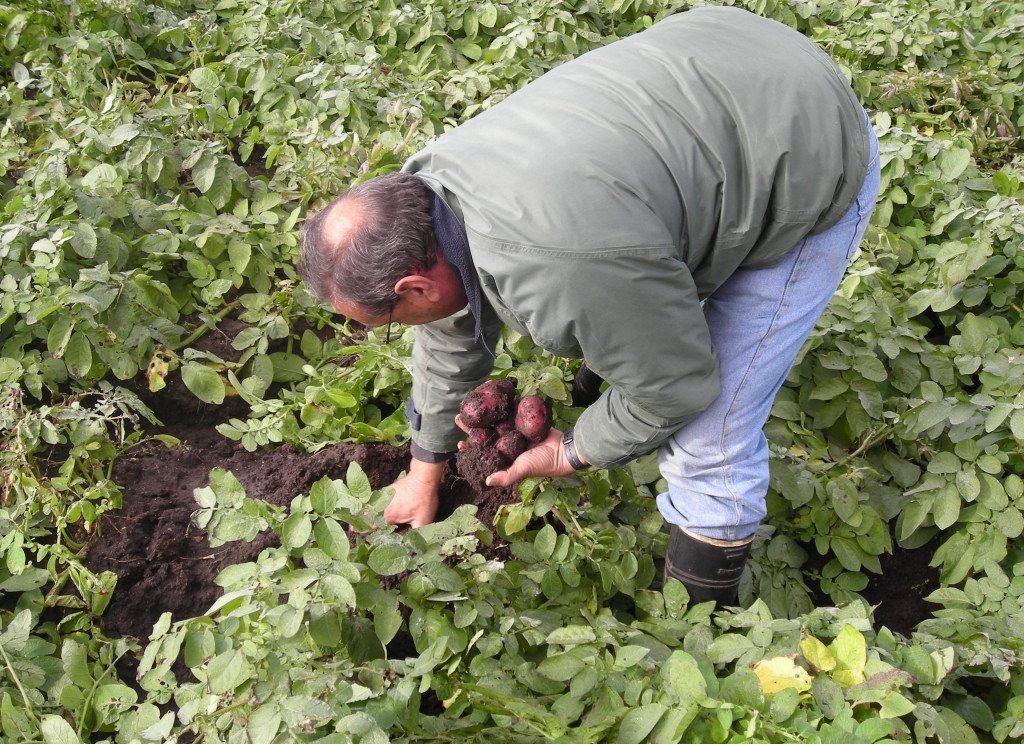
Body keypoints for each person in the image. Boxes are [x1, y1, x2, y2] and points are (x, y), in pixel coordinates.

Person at [298, 6, 880, 605]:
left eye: (387, 325)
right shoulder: (433, 195)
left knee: (709, 435)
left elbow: (675, 389)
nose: (395, 332)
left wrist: (574, 451)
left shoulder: (563, 260)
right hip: (726, 52)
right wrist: (427, 467)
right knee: (632, 301)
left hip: (812, 145)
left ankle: (707, 630)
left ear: (412, 287)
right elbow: (451, 333)